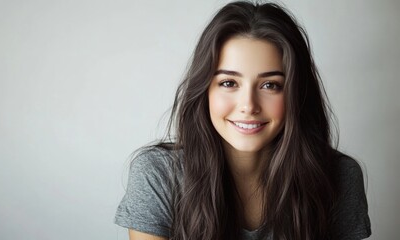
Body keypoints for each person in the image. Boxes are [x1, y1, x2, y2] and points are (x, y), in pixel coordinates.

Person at [115, 1, 371, 240]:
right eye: (229, 83)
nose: (248, 105)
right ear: (204, 90)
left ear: (297, 94)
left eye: (270, 85)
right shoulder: (158, 174)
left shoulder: (338, 177)